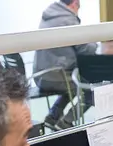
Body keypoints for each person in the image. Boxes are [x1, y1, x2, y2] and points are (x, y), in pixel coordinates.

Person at [33, 0, 98, 131]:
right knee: (90, 91)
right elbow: (86, 48)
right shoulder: (67, 19)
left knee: (72, 84)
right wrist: (96, 42)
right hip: (55, 76)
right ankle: (66, 122)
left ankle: (52, 117)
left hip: (41, 76)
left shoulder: (49, 16)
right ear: (74, 4)